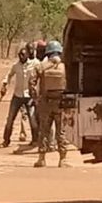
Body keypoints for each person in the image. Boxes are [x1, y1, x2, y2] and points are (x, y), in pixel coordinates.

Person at [30, 40, 68, 168]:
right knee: (61, 132)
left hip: (45, 103)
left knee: (44, 131)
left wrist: (35, 98)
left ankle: (41, 159)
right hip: (61, 104)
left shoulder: (41, 66)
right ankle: (62, 160)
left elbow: (32, 82)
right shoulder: (64, 67)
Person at [0, 48, 39, 148]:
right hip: (17, 96)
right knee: (10, 119)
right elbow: (9, 75)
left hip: (29, 96)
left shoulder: (34, 64)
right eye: (19, 55)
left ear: (27, 55)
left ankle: (35, 140)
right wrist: (4, 84)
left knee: (32, 119)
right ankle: (6, 140)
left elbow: (41, 72)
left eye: (23, 55)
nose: (21, 57)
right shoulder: (16, 66)